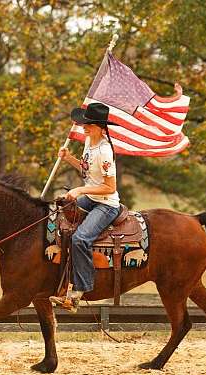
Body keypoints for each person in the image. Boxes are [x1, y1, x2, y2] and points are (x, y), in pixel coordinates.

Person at [49, 103, 121, 312]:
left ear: (99, 126)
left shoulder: (106, 151)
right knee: (58, 213)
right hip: (90, 196)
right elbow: (86, 169)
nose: (83, 127)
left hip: (106, 204)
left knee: (81, 238)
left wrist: (80, 191)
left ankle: (79, 291)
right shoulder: (90, 141)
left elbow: (110, 187)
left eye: (87, 124)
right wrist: (68, 158)